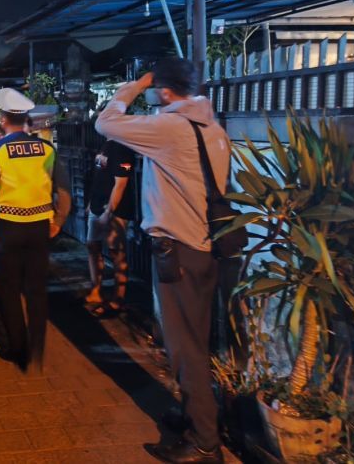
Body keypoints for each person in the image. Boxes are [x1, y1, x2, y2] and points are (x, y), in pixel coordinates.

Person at [96, 58, 229, 464]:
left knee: (185, 348)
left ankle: (205, 443)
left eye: (155, 87)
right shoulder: (211, 126)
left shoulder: (170, 127)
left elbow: (106, 123)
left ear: (165, 91)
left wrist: (134, 85)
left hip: (179, 251)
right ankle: (194, 417)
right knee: (193, 341)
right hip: (202, 247)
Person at [0, 89, 71, 374]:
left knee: (8, 289)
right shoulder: (47, 149)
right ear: (25, 119)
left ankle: (17, 348)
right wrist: (58, 221)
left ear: (3, 119)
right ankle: (37, 351)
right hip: (40, 227)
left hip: (7, 227)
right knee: (36, 289)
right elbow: (64, 192)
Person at [85, 138, 136, 317]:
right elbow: (98, 177)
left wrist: (109, 212)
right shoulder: (106, 144)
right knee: (92, 246)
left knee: (116, 252)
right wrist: (91, 203)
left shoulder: (123, 147)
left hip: (116, 210)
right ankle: (95, 290)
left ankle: (118, 298)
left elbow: (121, 184)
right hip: (97, 205)